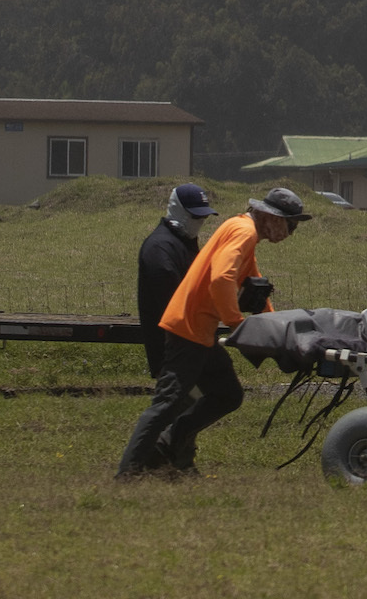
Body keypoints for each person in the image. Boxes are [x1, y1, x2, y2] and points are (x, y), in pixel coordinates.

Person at [115, 186, 308, 480]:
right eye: (291, 224)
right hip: (188, 329)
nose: (291, 232)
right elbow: (222, 278)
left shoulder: (243, 230)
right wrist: (236, 324)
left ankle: (167, 445)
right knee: (166, 404)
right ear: (272, 217)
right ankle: (128, 473)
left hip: (200, 332)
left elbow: (254, 283)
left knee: (227, 394)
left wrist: (277, 331)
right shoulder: (243, 231)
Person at [138, 183, 221, 376]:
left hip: (196, 343)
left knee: (226, 394)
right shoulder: (159, 248)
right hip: (174, 351)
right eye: (196, 216)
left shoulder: (185, 242)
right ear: (178, 210)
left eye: (204, 216)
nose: (200, 221)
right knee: (179, 402)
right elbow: (173, 301)